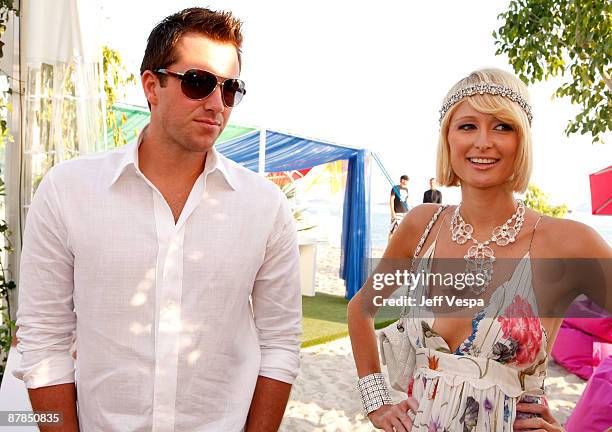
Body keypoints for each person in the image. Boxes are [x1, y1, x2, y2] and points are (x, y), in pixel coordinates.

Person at [14, 8, 301, 432]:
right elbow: (43, 340)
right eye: (199, 82)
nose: (216, 104)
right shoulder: (68, 191)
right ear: (152, 85)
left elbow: (280, 342)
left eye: (230, 89)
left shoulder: (265, 206)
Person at [347, 68, 611, 431]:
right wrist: (377, 403)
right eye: (467, 126)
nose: (483, 142)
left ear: (522, 141)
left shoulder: (566, 243)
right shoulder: (421, 227)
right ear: (448, 139)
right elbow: (361, 309)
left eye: (502, 127)